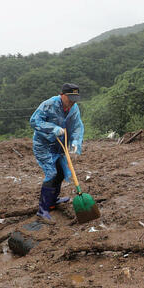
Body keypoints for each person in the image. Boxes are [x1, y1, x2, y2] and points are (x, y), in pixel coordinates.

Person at [29, 83, 85, 220]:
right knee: (51, 173)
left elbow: (77, 126)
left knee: (60, 173)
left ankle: (52, 201)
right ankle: (43, 209)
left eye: (74, 100)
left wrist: (76, 141)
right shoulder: (49, 104)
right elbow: (34, 121)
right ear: (62, 95)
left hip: (59, 146)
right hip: (44, 145)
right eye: (70, 99)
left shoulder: (74, 109)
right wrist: (52, 128)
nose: (72, 103)